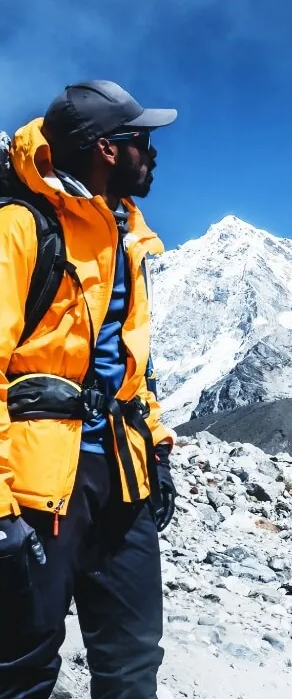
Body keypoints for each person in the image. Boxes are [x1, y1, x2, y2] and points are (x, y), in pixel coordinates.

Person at [0, 81, 178, 698]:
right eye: (143, 141)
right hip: (37, 486)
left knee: (131, 660)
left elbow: (132, 365)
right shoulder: (21, 228)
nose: (152, 154)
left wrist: (154, 448)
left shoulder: (125, 238)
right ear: (106, 148)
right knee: (21, 667)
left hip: (122, 478)